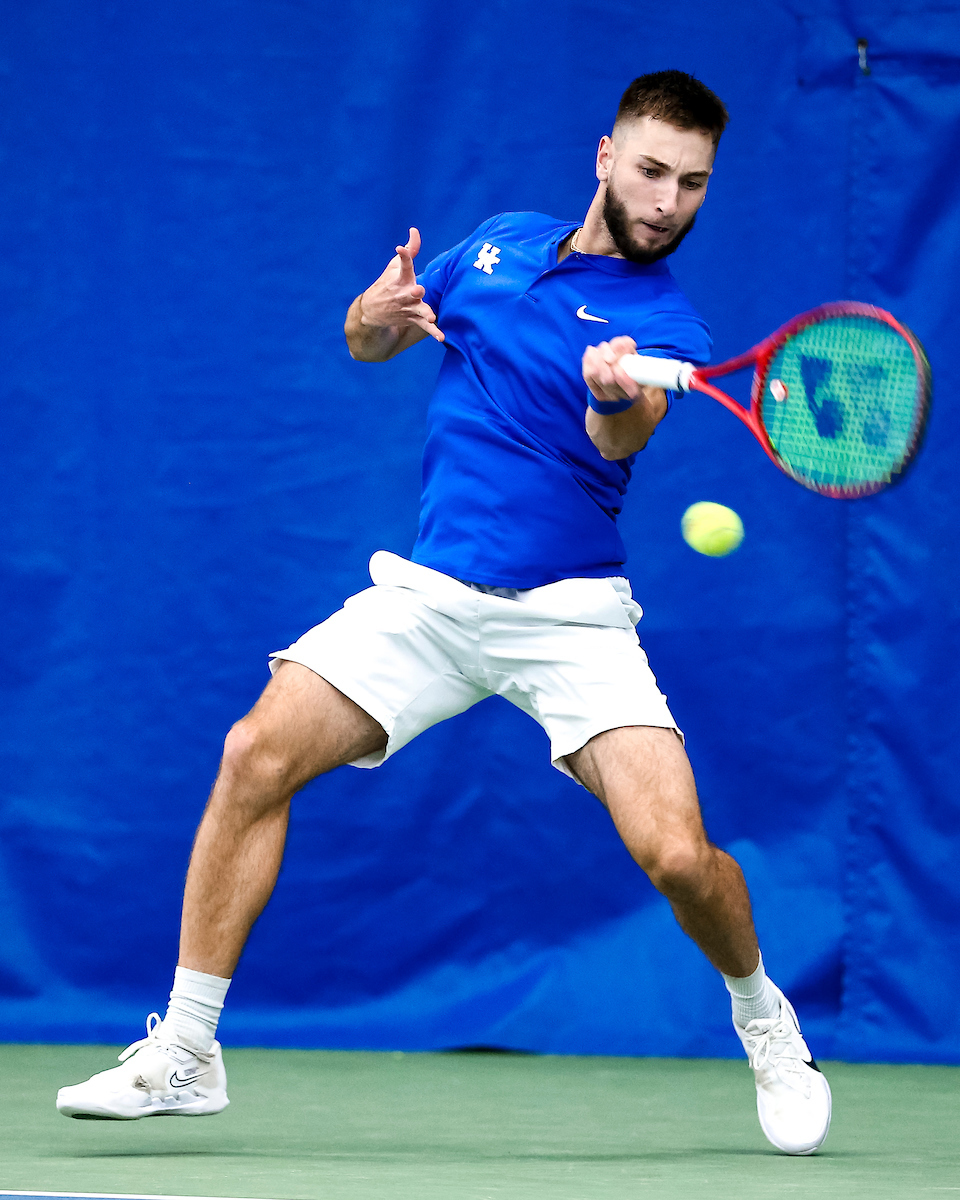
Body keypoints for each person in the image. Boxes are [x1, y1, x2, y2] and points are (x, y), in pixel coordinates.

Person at [56, 70, 831, 1155]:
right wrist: (373, 315)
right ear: (605, 157)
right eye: (652, 171)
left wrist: (616, 396)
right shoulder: (501, 244)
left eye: (693, 185)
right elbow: (374, 342)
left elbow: (626, 437)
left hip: (570, 619)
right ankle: (185, 1051)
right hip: (428, 602)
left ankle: (765, 1018)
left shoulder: (667, 320)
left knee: (677, 857)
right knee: (254, 754)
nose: (667, 202)